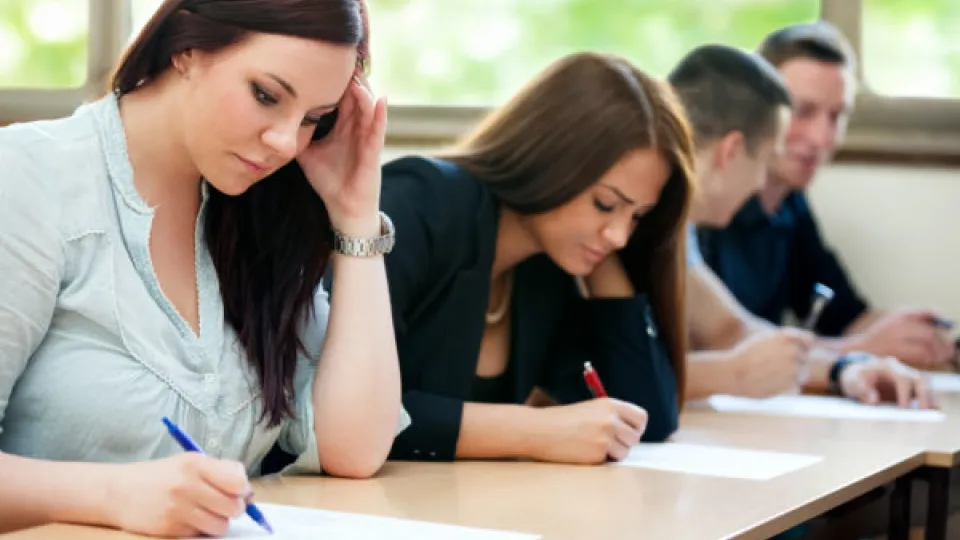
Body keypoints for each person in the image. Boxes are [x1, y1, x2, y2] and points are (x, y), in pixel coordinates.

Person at [0, 0, 408, 537]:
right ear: (188, 47)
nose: (287, 142)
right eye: (266, 95)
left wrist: (355, 219)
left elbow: (354, 449)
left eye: (314, 119)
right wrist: (111, 496)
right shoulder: (30, 178)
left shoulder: (258, 210)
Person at [360, 51, 694, 465]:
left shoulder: (546, 266)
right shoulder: (422, 204)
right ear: (550, 161)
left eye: (639, 215)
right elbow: (349, 411)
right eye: (606, 203)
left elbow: (647, 418)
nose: (622, 236)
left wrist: (603, 249)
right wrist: (534, 431)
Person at [672, 44, 932, 407]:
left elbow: (732, 331)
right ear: (731, 151)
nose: (759, 182)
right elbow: (623, 375)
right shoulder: (637, 218)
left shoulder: (677, 230)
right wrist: (734, 374)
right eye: (763, 161)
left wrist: (845, 367)